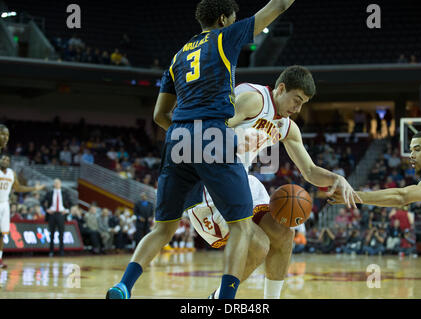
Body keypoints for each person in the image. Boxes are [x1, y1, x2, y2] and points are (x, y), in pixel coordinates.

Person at [107, 0, 299, 300]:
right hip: (213, 133)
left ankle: (124, 286)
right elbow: (278, 5)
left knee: (163, 229)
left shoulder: (178, 56)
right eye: (234, 18)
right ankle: (224, 300)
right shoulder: (226, 37)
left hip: (177, 137)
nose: (236, 22)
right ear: (224, 19)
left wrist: (185, 136)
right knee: (242, 228)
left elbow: (159, 114)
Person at [184, 66, 360, 299]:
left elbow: (309, 171)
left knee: (284, 235)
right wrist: (238, 141)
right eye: (296, 100)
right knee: (259, 245)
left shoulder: (287, 127)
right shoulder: (253, 99)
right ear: (281, 88)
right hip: (209, 179)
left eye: (303, 103)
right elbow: (211, 132)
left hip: (239, 179)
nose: (298, 109)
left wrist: (336, 178)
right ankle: (219, 299)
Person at [330, 129, 421, 208]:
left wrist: (353, 196)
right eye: (411, 150)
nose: (412, 155)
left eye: (417, 150)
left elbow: (401, 197)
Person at [0, 155, 45, 267]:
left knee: (2, 234)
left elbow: (19, 188)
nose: (5, 161)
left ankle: (0, 259)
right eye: (3, 159)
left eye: (7, 160)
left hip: (5, 204)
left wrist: (35, 188)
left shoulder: (11, 173)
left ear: (9, 162)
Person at [42, 178, 71, 257]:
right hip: (52, 214)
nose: (57, 184)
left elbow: (71, 202)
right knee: (51, 233)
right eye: (56, 183)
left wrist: (67, 210)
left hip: (61, 214)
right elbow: (42, 201)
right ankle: (51, 251)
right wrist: (47, 210)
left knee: (61, 234)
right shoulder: (49, 193)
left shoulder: (64, 193)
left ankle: (61, 251)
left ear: (61, 184)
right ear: (54, 184)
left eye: (58, 183)